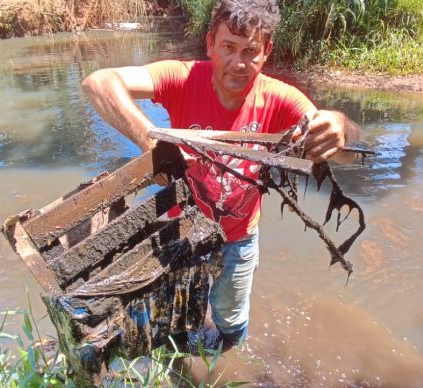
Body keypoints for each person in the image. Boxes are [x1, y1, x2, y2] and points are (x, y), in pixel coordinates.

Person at [82, 0, 362, 350]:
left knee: (230, 318)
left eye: (251, 51)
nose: (238, 63)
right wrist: (151, 140)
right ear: (210, 42)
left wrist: (338, 125)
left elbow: (348, 153)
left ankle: (226, 360)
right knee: (174, 316)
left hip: (240, 237)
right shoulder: (182, 77)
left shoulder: (279, 98)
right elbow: (98, 83)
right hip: (181, 231)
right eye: (228, 47)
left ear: (266, 52)